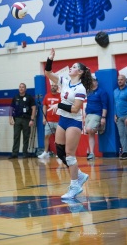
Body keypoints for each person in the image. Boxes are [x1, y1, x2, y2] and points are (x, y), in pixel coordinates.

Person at [45, 48, 93, 199]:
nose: (70, 68)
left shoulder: (81, 88)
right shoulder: (64, 81)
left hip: (73, 121)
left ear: (79, 72)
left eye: (73, 67)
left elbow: (75, 108)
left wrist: (58, 105)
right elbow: (48, 73)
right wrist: (50, 58)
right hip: (63, 120)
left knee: (70, 156)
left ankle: (74, 187)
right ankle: (79, 175)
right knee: (60, 152)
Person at [9, 83, 36, 158]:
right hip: (17, 119)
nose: (21, 88)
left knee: (26, 137)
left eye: (23, 87)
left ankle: (25, 153)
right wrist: (10, 118)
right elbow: (11, 108)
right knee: (16, 136)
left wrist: (32, 119)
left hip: (26, 119)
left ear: (25, 89)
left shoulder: (29, 97)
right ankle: (14, 153)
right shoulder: (15, 97)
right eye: (20, 87)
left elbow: (34, 108)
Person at [85, 73, 108, 160]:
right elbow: (88, 103)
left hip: (97, 114)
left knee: (89, 129)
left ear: (96, 82)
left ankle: (99, 126)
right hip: (89, 114)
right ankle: (92, 153)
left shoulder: (102, 92)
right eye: (91, 80)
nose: (92, 82)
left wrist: (103, 117)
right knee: (90, 133)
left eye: (93, 80)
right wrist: (86, 115)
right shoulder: (89, 91)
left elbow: (105, 105)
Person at [38, 83, 61, 159]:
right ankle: (45, 152)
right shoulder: (47, 96)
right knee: (46, 136)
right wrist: (44, 118)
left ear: (57, 87)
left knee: (59, 137)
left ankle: (59, 153)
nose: (53, 87)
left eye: (55, 86)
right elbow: (44, 107)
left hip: (58, 120)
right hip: (49, 120)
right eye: (52, 86)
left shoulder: (60, 96)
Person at [114, 74, 127, 160]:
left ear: (125, 80)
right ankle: (125, 152)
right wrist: (115, 114)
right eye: (118, 79)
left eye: (121, 79)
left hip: (126, 116)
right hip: (118, 117)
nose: (119, 81)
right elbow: (115, 104)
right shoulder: (115, 91)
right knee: (121, 135)